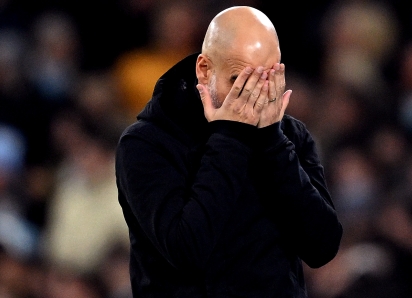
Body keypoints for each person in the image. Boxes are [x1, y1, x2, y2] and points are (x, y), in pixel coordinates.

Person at [115, 5, 343, 297]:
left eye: (265, 80)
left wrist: (272, 143)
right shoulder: (146, 144)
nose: (253, 97)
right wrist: (229, 138)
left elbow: (321, 247)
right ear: (204, 69)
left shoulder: (289, 135)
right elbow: (187, 250)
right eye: (239, 81)